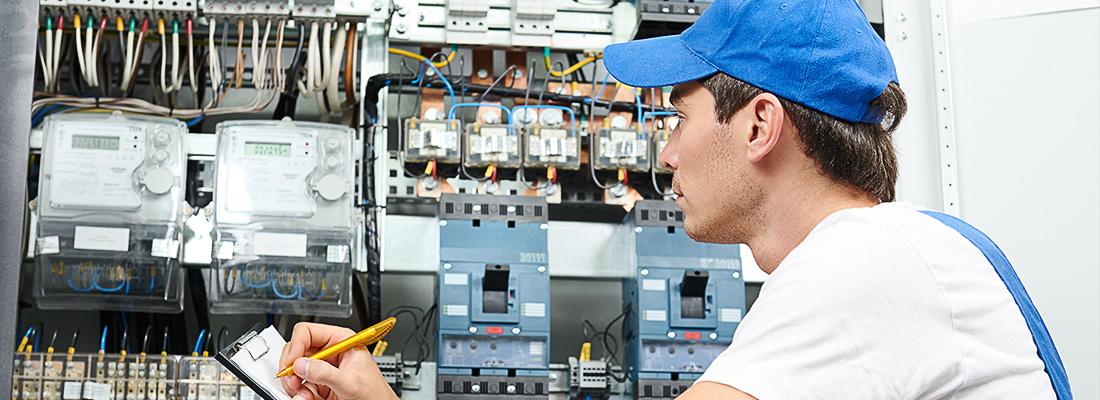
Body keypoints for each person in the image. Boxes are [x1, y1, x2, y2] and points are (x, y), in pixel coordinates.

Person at [278, 0, 1066, 399]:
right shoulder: (885, 262)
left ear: (761, 125)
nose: (664, 152)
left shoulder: (863, 262)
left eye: (677, 117)